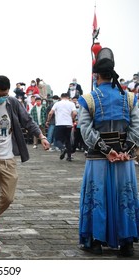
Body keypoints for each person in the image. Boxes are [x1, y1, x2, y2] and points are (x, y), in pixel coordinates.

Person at [0, 75, 50, 251]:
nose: (2, 97)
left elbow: (28, 121)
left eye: (5, 94)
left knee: (8, 198)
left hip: (8, 157)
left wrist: (41, 136)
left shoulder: (13, 103)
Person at [78, 48, 139, 257]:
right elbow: (137, 127)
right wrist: (125, 150)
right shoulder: (130, 98)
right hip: (124, 158)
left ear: (96, 75)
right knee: (125, 195)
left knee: (98, 196)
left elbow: (85, 130)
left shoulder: (89, 99)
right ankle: (127, 242)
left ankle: (95, 241)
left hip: (99, 158)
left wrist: (106, 150)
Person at [46, 93, 77, 161]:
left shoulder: (57, 104)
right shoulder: (71, 104)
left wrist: (48, 121)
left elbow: (50, 113)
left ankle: (62, 148)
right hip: (69, 124)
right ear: (68, 97)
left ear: (61, 97)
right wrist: (72, 119)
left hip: (59, 124)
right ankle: (69, 156)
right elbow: (74, 113)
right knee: (68, 140)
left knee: (57, 139)